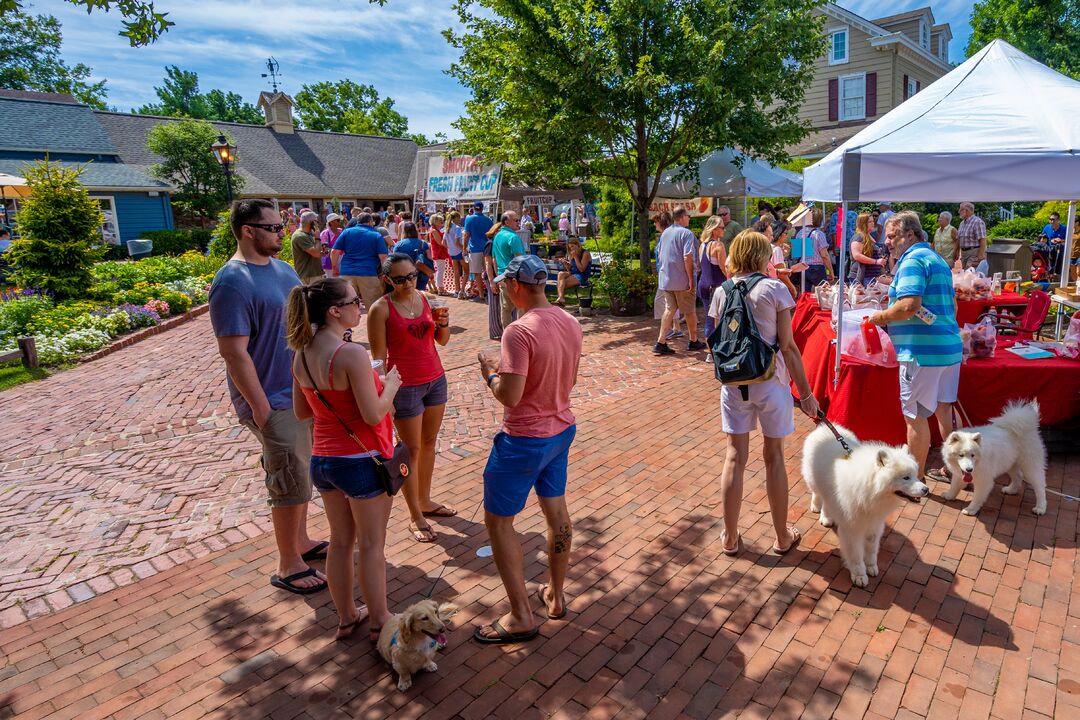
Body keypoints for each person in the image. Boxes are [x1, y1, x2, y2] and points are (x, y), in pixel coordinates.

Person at [209, 199, 328, 595]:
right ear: (247, 230)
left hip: (298, 389)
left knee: (301, 474)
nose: (282, 232)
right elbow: (233, 352)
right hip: (271, 400)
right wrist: (259, 406)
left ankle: (303, 542)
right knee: (287, 478)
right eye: (274, 227)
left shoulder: (284, 270)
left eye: (282, 225)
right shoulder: (232, 281)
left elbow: (301, 326)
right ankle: (287, 563)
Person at [475, 255, 582, 644]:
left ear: (516, 286)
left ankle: (521, 615)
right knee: (557, 511)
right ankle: (555, 594)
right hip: (560, 428)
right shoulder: (569, 321)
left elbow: (512, 396)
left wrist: (489, 374)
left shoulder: (518, 332)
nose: (503, 289)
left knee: (500, 523)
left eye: (505, 284)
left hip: (524, 438)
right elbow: (569, 378)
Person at [286, 277, 401, 641]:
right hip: (362, 458)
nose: (360, 305)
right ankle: (380, 618)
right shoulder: (349, 354)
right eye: (354, 301)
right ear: (335, 311)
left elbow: (302, 411)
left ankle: (347, 615)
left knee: (339, 542)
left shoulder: (301, 353)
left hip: (325, 458)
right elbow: (372, 414)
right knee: (371, 545)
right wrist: (392, 385)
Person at [707, 230, 820, 556]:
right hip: (771, 382)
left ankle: (729, 537)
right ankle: (782, 536)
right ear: (762, 256)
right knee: (774, 458)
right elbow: (788, 347)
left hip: (734, 384)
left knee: (734, 457)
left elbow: (716, 341)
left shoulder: (721, 292)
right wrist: (807, 394)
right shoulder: (774, 289)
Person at [869, 211, 962, 479]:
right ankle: (956, 471)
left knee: (915, 416)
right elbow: (952, 306)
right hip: (948, 348)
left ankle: (915, 478)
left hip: (921, 354)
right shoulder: (938, 260)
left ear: (909, 235)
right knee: (945, 409)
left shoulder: (912, 260)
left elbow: (910, 305)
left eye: (891, 236)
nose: (886, 241)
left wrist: (881, 317)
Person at [368, 253, 454, 544]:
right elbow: (378, 359)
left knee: (429, 444)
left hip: (435, 379)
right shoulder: (380, 309)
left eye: (412, 276)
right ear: (387, 280)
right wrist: (384, 393)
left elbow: (442, 341)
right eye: (401, 279)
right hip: (405, 386)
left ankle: (426, 501)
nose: (408, 282)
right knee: (410, 450)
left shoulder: (427, 300)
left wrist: (443, 324)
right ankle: (415, 514)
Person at [654, 207, 705, 355]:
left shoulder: (665, 233)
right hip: (681, 279)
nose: (689, 218)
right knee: (689, 310)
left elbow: (661, 255)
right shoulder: (686, 234)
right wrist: (690, 279)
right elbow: (687, 256)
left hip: (667, 279)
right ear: (682, 217)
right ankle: (693, 340)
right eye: (688, 216)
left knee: (669, 309)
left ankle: (660, 341)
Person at [332, 212, 387, 311]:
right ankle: (374, 326)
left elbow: (334, 251)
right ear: (370, 222)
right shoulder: (376, 235)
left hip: (347, 272)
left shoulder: (346, 232)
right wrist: (384, 273)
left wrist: (335, 267)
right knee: (374, 307)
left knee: (345, 305)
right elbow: (383, 257)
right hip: (368, 273)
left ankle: (345, 326)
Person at [491, 211, 525, 328]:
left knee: (506, 309)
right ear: (506, 222)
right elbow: (519, 259)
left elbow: (494, 259)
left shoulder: (497, 236)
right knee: (521, 307)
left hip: (502, 276)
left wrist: (498, 276)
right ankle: (520, 335)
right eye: (515, 220)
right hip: (514, 278)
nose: (518, 223)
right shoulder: (513, 237)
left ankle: (507, 334)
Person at [697, 215, 728, 337]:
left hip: (703, 285)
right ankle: (712, 351)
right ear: (714, 229)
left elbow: (700, 265)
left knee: (709, 317)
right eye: (722, 227)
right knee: (716, 320)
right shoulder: (718, 246)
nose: (724, 230)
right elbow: (724, 268)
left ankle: (712, 350)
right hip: (716, 287)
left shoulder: (702, 245)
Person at [391, 222, 435, 292]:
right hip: (421, 272)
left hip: (405, 274)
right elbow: (429, 257)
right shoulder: (423, 243)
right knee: (420, 293)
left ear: (404, 231)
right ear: (415, 231)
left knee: (406, 294)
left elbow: (394, 260)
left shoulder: (399, 244)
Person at [464, 202, 494, 299]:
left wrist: (464, 248)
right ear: (482, 208)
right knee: (488, 271)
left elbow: (466, 234)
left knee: (477, 273)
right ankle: (491, 292)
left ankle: (481, 294)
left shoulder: (469, 219)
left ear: (474, 208)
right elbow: (492, 235)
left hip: (475, 249)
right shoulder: (488, 220)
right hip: (487, 248)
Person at [851, 212, 887, 285]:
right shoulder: (859, 237)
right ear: (863, 223)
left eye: (873, 221)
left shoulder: (867, 235)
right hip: (863, 276)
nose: (873, 223)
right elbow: (857, 255)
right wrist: (876, 261)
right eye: (869, 222)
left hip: (871, 276)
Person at [555, 238, 592, 307]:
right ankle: (561, 298)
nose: (571, 249)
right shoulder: (571, 254)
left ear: (578, 245)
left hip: (582, 275)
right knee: (560, 274)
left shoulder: (585, 253)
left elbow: (582, 269)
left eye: (572, 246)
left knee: (560, 284)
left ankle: (561, 299)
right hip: (574, 274)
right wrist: (566, 264)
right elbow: (570, 269)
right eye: (570, 247)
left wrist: (576, 258)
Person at [291, 211, 324, 284]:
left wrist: (323, 253)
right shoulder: (300, 236)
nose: (317, 224)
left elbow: (316, 253)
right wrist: (318, 238)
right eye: (316, 221)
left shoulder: (309, 234)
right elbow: (315, 253)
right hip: (308, 276)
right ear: (312, 222)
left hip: (313, 274)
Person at [957, 202, 987, 270]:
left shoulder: (977, 222)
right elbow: (959, 239)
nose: (959, 212)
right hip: (964, 253)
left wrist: (981, 255)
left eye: (961, 210)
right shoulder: (962, 223)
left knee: (970, 274)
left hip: (974, 252)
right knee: (965, 274)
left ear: (966, 210)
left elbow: (983, 240)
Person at [445, 210, 466, 298]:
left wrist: (449, 247)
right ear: (456, 218)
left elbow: (443, 242)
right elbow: (457, 242)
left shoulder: (447, 228)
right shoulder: (457, 228)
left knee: (456, 273)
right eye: (459, 217)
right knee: (467, 272)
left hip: (452, 252)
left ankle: (457, 290)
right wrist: (464, 250)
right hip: (459, 251)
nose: (460, 219)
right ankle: (462, 290)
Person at [1042, 212, 1068, 276]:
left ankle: (1058, 274)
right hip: (1049, 250)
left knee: (1060, 253)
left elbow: (1070, 240)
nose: (1051, 221)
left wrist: (1061, 240)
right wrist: (1050, 240)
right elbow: (1042, 239)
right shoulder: (1047, 227)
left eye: (1053, 219)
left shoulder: (1065, 229)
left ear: (1058, 220)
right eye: (1050, 219)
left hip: (1060, 251)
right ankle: (1049, 275)